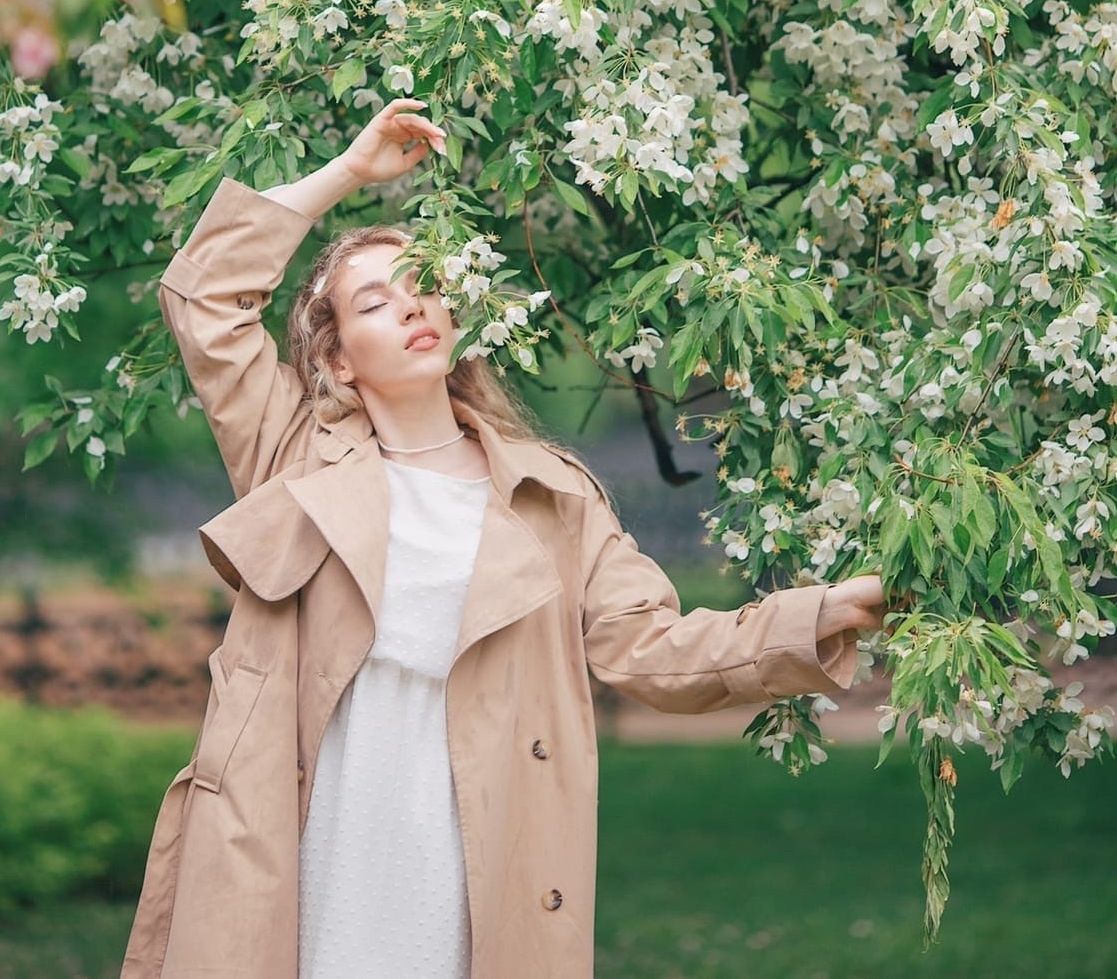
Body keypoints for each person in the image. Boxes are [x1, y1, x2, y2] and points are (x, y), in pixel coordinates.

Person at [121, 98, 886, 979]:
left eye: (429, 288)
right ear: (335, 359)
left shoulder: (551, 495)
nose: (414, 309)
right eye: (376, 302)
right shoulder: (291, 456)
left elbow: (655, 651)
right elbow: (207, 295)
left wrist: (829, 610)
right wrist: (347, 175)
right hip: (306, 849)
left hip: (474, 854)